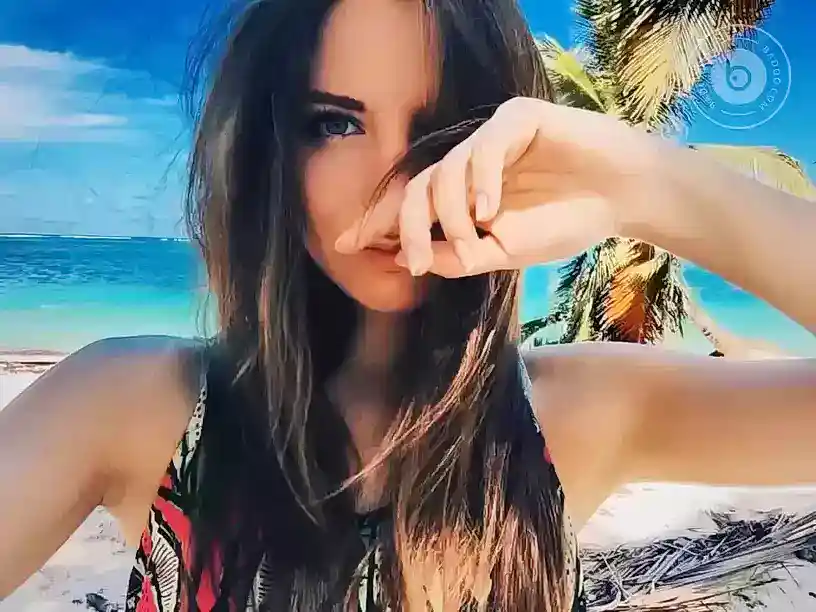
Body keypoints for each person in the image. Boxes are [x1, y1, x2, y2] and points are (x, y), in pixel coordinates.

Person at [1, 0, 814, 610]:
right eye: (335, 124)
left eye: (444, 127)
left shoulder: (578, 411)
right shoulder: (133, 405)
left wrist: (643, 186)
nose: (394, 182)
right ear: (271, 150)